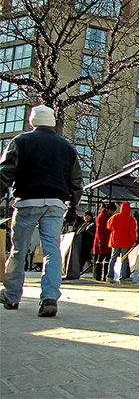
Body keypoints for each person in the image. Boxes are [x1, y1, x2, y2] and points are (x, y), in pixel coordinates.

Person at [0, 105, 83, 317]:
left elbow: (5, 172)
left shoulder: (21, 141)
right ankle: (49, 298)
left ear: (32, 121)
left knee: (18, 249)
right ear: (53, 122)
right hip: (56, 203)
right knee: (52, 250)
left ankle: (11, 296)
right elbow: (76, 182)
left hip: (27, 201)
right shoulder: (67, 147)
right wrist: (73, 206)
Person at [106, 201, 137, 283]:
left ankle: (109, 277)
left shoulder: (114, 217)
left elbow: (108, 226)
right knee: (124, 260)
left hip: (115, 241)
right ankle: (121, 279)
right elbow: (132, 231)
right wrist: (133, 241)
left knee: (113, 258)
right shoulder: (131, 219)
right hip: (125, 242)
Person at [92, 202, 116, 281]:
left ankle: (102, 276)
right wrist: (100, 242)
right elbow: (99, 231)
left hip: (106, 241)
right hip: (102, 241)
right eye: (112, 210)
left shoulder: (104, 216)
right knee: (101, 259)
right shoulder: (102, 217)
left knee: (104, 259)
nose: (112, 212)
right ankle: (98, 276)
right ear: (108, 209)